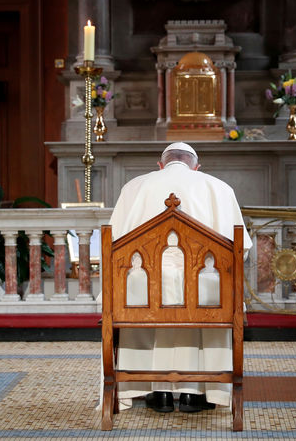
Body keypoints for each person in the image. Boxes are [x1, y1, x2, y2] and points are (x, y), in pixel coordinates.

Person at [107, 142, 252, 413]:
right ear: (196, 167)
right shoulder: (218, 188)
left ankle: (156, 391)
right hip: (203, 295)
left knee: (137, 285)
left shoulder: (135, 187)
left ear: (160, 165)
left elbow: (112, 246)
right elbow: (240, 250)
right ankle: (197, 394)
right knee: (211, 286)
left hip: (142, 296)